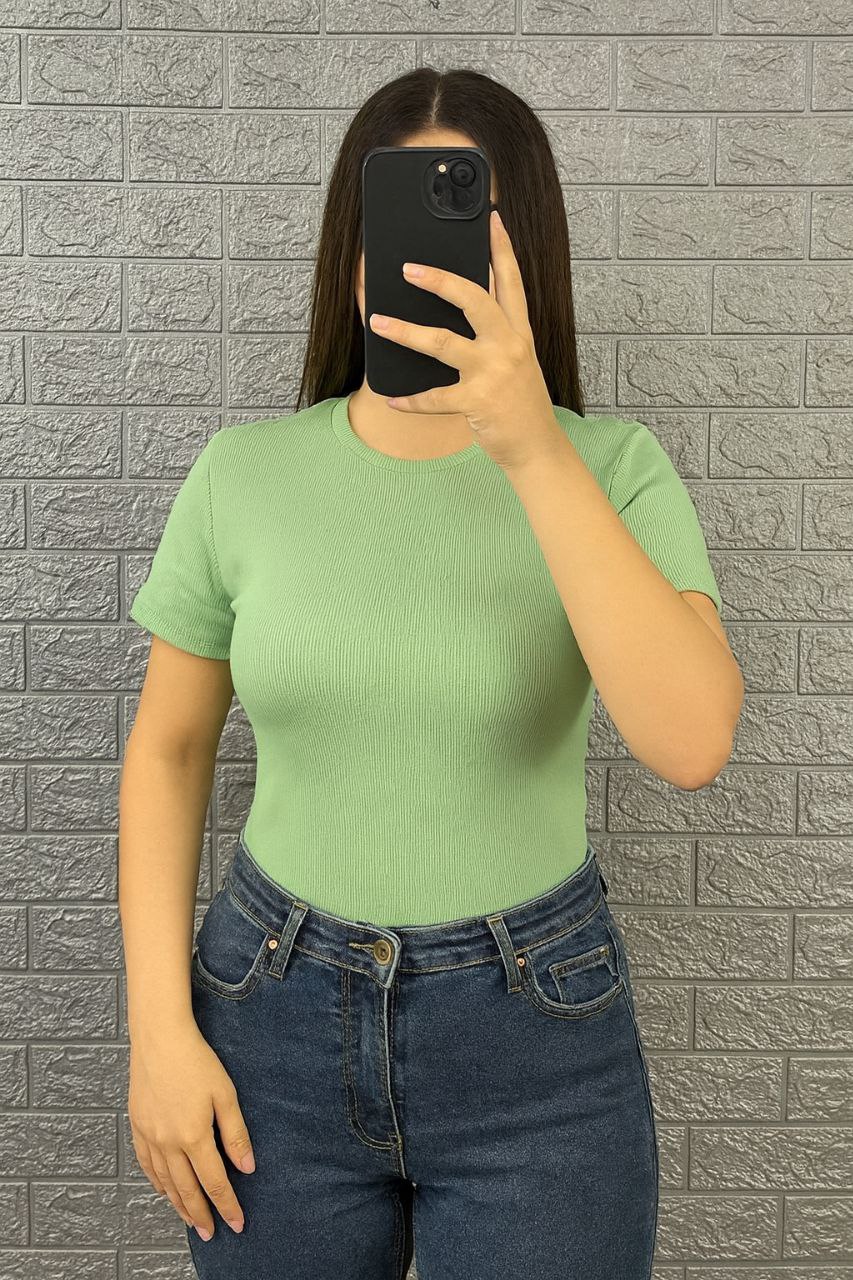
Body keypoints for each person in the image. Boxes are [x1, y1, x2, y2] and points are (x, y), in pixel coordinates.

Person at [119, 66, 744, 1280]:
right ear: (350, 251)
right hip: (268, 1019)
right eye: (393, 226)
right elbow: (169, 746)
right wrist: (157, 1031)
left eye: (462, 230)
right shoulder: (242, 475)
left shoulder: (612, 468)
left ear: (524, 255)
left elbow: (689, 740)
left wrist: (529, 444)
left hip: (536, 1046)